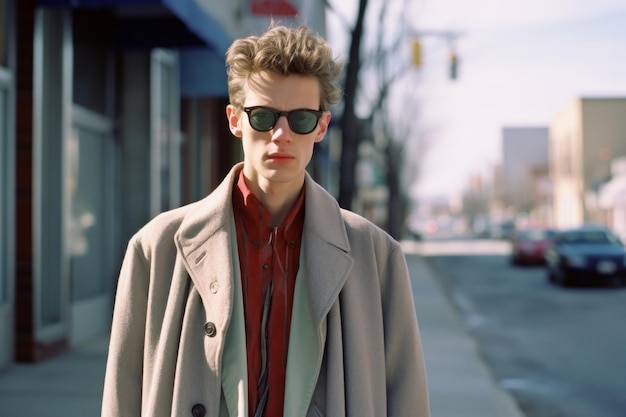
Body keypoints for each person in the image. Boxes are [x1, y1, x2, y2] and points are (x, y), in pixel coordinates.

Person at [102, 24, 430, 417]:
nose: (281, 135)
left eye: (301, 120)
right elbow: (122, 395)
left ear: (322, 126)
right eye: (263, 117)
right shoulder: (156, 248)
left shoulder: (376, 256)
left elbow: (406, 400)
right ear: (234, 120)